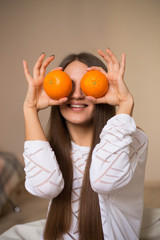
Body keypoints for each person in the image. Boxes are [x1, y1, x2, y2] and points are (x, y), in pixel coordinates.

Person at [23, 48, 148, 240]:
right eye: (69, 85)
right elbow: (45, 187)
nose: (77, 94)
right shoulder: (49, 148)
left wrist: (125, 103)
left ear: (104, 88)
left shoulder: (132, 139)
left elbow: (104, 180)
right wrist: (29, 108)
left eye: (86, 85)